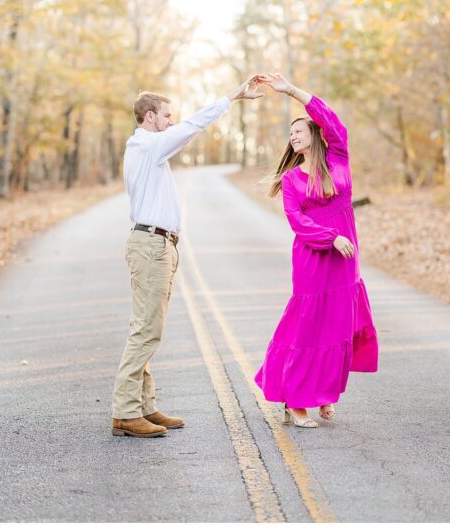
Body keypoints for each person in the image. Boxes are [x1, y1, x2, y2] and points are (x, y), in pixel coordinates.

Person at [111, 76, 265, 437]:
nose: (170, 121)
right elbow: (194, 125)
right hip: (150, 246)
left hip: (158, 246)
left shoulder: (151, 148)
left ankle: (143, 406)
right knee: (146, 330)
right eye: (166, 115)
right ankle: (124, 411)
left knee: (147, 327)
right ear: (150, 116)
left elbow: (187, 132)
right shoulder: (147, 146)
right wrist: (233, 97)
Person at [254, 73, 378, 428]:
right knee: (310, 328)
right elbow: (296, 220)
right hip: (313, 258)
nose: (292, 136)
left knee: (338, 327)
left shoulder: (338, 158)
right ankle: (296, 401)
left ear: (315, 135)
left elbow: (332, 120)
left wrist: (292, 91)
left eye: (298, 130)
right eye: (289, 134)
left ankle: (322, 393)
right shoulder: (291, 179)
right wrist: (330, 238)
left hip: (345, 261)